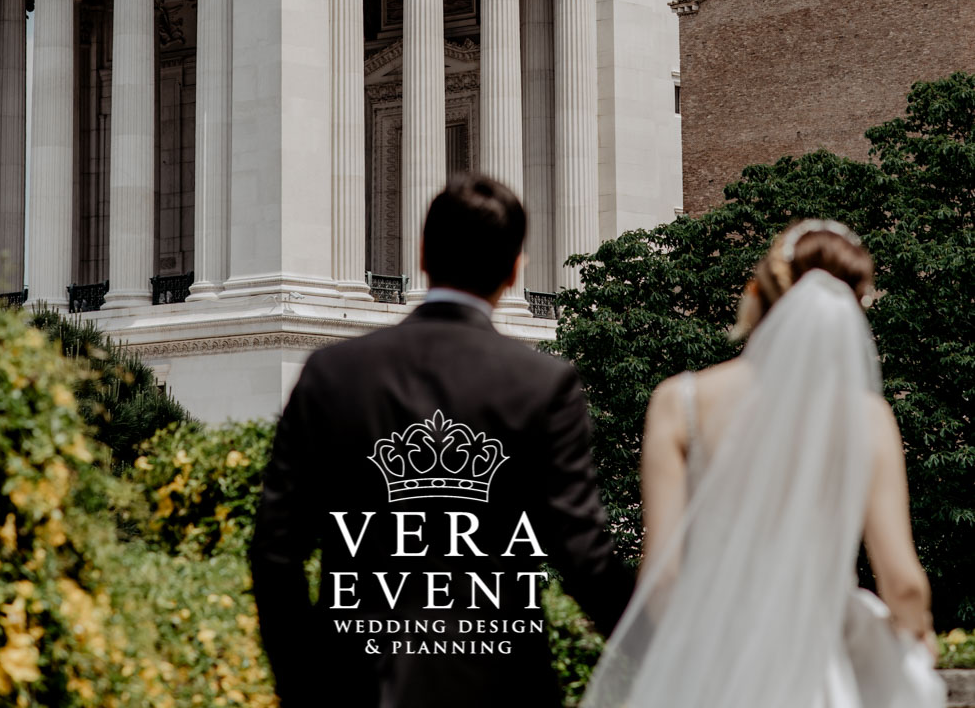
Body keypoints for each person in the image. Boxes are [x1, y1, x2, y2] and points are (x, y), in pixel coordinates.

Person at [251, 174, 633, 708]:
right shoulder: (544, 385)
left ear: (424, 254)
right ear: (515, 268)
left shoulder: (331, 373)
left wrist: (305, 688)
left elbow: (274, 553)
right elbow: (586, 560)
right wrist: (665, 646)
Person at [584, 219, 940, 708]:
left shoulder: (681, 401)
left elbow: (662, 577)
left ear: (759, 293)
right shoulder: (867, 417)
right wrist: (916, 637)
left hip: (709, 665)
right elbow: (901, 581)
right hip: (817, 669)